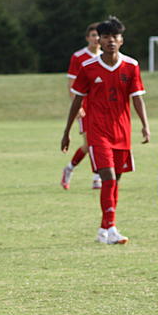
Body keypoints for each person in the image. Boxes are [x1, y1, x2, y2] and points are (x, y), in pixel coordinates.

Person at [61, 16, 150, 244]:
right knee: (107, 177)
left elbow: (137, 98)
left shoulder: (131, 66)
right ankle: (111, 228)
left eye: (115, 36)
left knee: (116, 180)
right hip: (97, 130)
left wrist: (145, 125)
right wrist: (67, 131)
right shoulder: (88, 67)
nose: (111, 40)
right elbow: (76, 100)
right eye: (107, 36)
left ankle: (103, 230)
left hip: (121, 132)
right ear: (99, 40)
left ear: (121, 40)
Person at [60, 22, 103, 190]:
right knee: (91, 143)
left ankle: (69, 169)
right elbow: (72, 85)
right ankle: (96, 177)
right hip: (84, 107)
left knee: (92, 144)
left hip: (100, 108)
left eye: (99, 35)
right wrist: (77, 106)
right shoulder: (78, 57)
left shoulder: (105, 56)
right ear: (87, 38)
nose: (96, 38)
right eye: (93, 35)